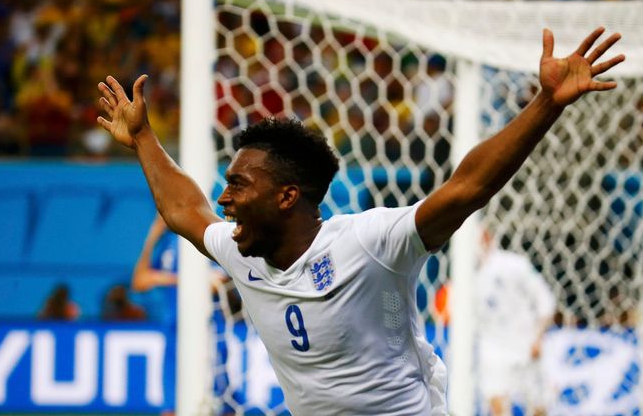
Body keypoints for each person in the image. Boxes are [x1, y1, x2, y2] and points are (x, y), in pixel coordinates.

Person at [96, 27, 624, 415]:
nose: (225, 200)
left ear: (287, 197)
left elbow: (468, 187)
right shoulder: (241, 251)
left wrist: (546, 104)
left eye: (238, 185)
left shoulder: (370, 242)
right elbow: (184, 210)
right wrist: (143, 138)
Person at [475, 229, 556, 416]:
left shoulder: (515, 264)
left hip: (525, 343)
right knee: (497, 404)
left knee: (538, 406)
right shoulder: (468, 275)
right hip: (492, 348)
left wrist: (538, 337)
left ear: (487, 236)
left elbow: (545, 300)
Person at [131, 214, 179, 416]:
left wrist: (159, 278)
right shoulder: (169, 243)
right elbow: (139, 281)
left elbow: (216, 282)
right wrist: (153, 235)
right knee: (171, 409)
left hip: (208, 334)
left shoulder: (207, 238)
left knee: (221, 406)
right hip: (174, 334)